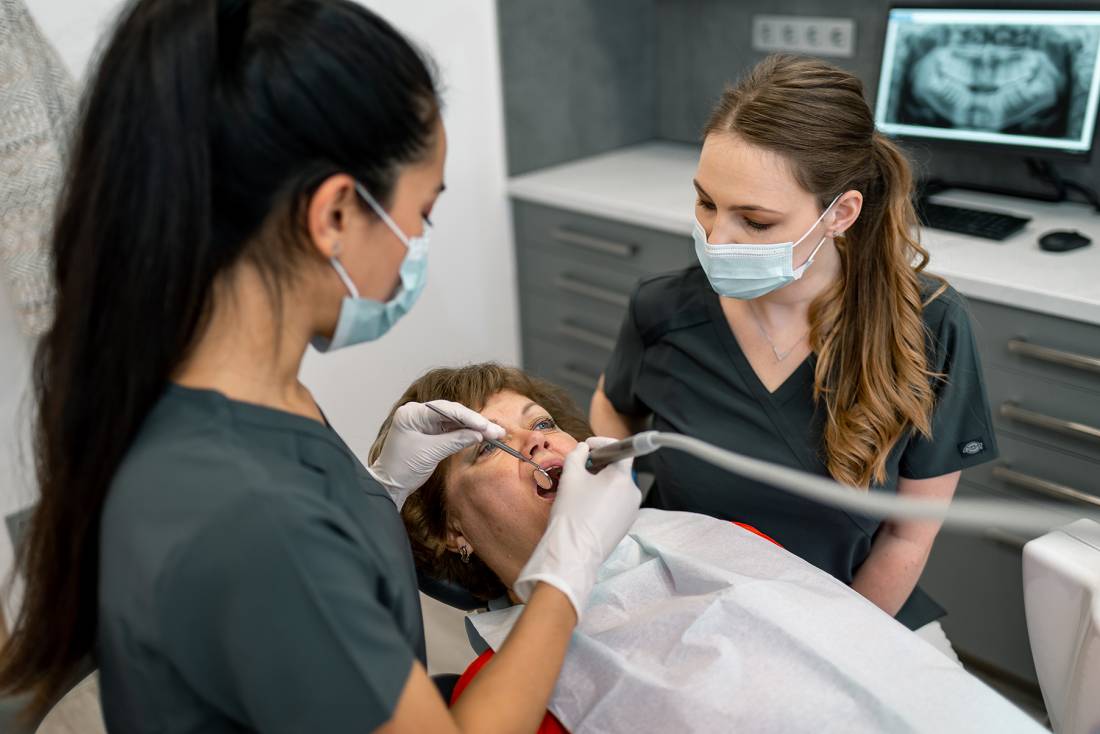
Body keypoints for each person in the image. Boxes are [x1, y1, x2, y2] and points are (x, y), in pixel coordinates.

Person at [0, 2, 641, 732]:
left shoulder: (244, 389)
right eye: (421, 214)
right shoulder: (251, 512)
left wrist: (378, 492)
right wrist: (565, 570)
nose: (417, 244)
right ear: (335, 214)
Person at [374, 363, 1042, 734]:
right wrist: (380, 497)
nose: (537, 440)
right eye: (489, 447)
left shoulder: (723, 542)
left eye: (542, 422)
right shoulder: (497, 697)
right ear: (452, 531)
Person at [589, 55, 999, 647]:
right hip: (684, 612)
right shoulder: (664, 311)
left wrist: (823, 651)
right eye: (706, 203)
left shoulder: (928, 328)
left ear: (841, 213)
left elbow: (907, 537)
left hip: (851, 618)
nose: (716, 238)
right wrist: (612, 513)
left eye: (755, 222)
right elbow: (612, 408)